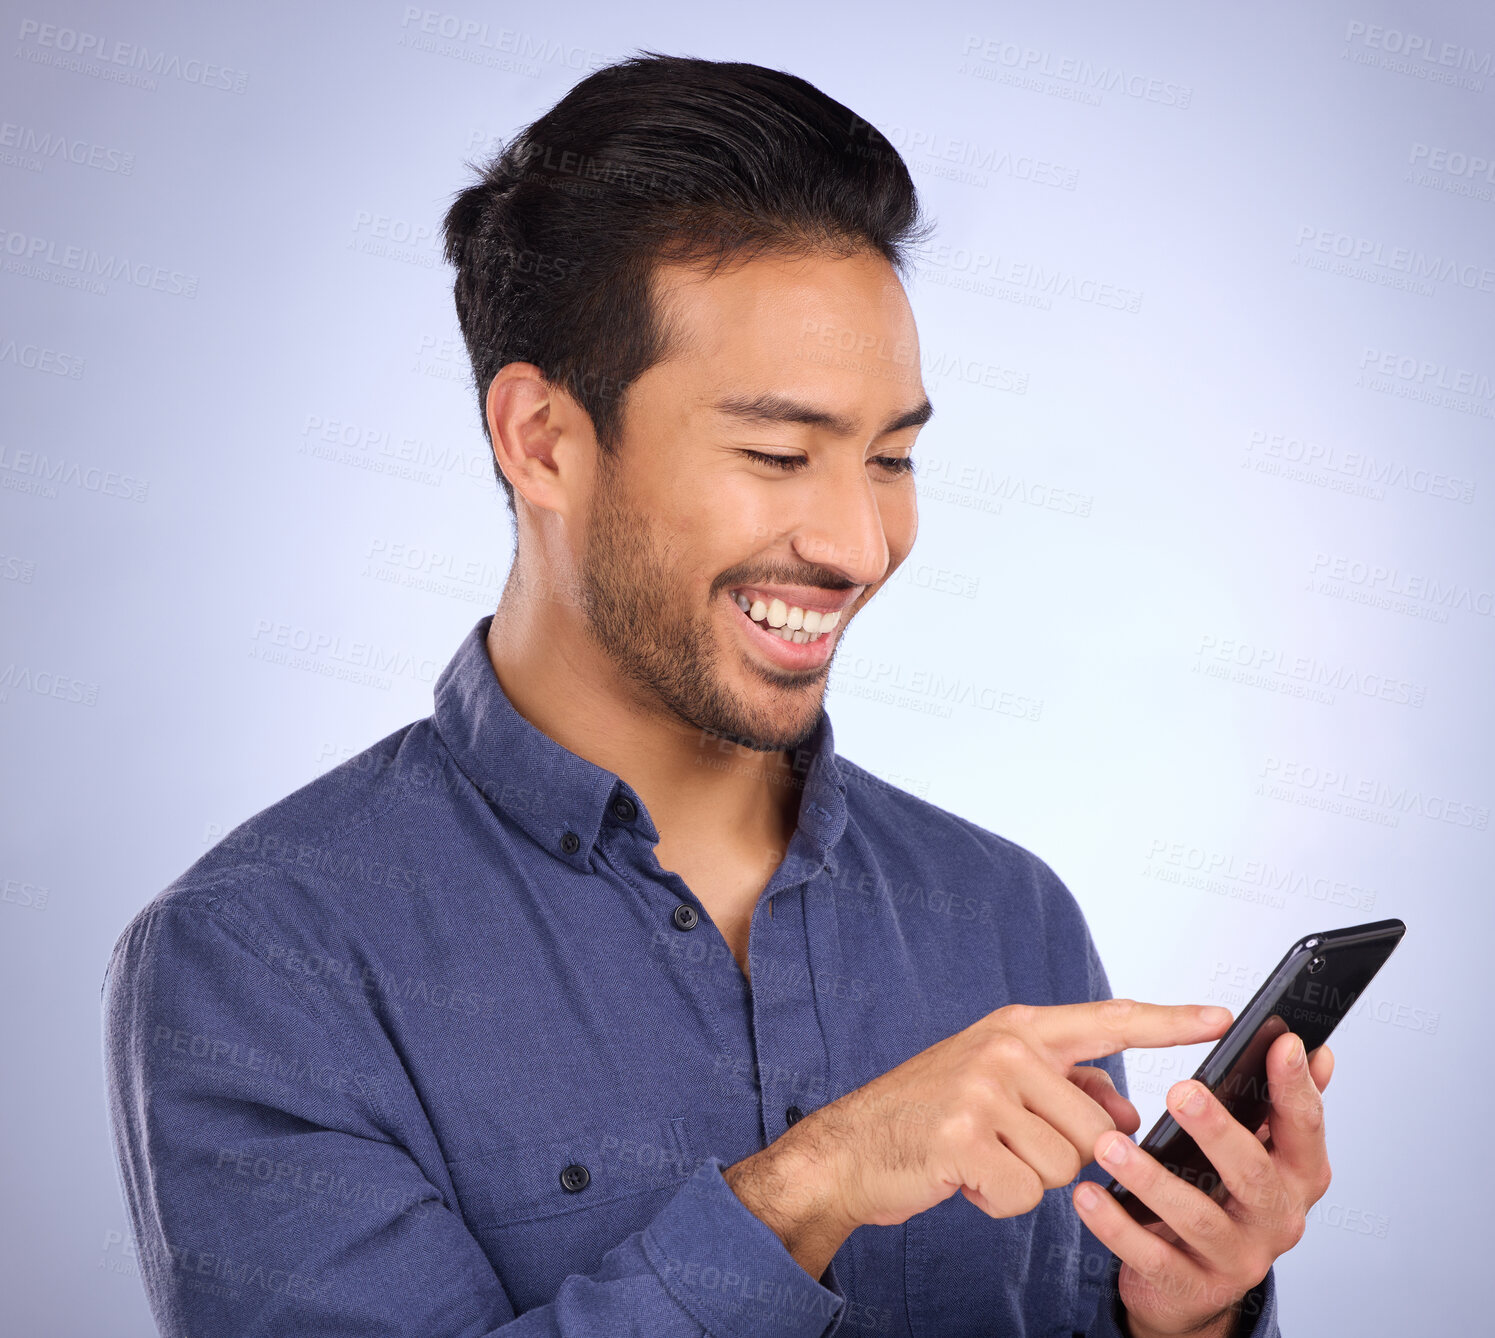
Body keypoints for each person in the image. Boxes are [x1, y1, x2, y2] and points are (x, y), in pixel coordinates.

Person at [102, 51, 1333, 1338]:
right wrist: (808, 1188)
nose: (859, 545)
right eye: (778, 454)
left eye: (892, 457)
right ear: (541, 440)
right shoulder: (259, 961)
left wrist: (1179, 1316)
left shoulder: (1004, 921)